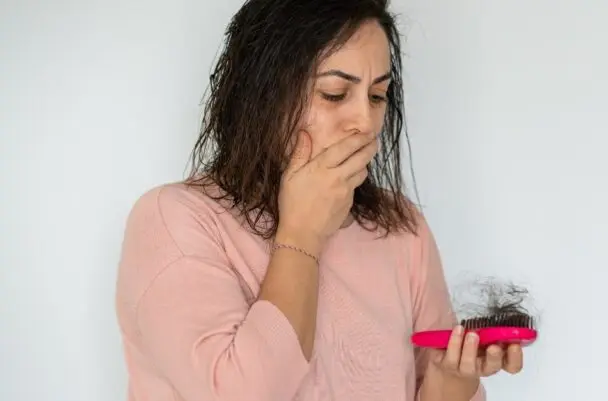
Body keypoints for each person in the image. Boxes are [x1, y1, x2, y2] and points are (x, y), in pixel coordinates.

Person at [114, 0, 524, 400]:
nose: (364, 121)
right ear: (262, 94)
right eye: (334, 93)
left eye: (377, 96)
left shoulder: (402, 228)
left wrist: (449, 381)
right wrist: (301, 234)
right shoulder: (174, 221)